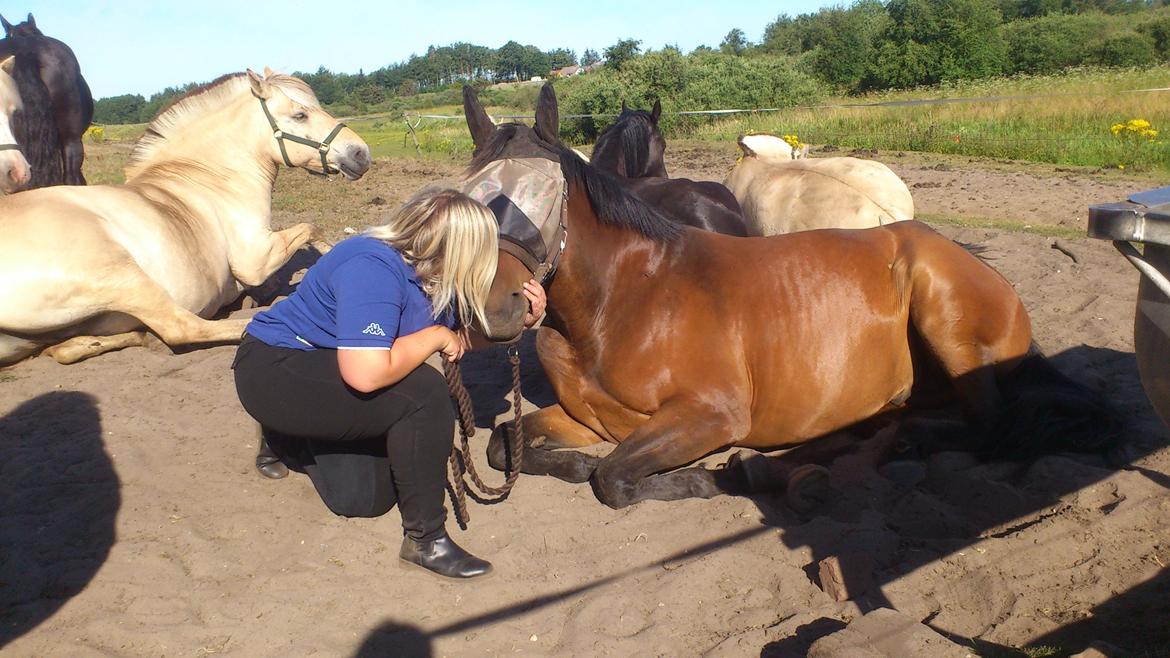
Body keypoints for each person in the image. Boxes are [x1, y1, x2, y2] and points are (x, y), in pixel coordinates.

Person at [232, 188, 546, 579]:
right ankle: (425, 540)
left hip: (334, 367)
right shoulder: (372, 268)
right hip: (277, 367)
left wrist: (521, 324)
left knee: (363, 499)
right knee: (424, 393)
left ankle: (288, 439)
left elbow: (458, 342)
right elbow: (366, 375)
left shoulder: (432, 273)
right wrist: (433, 336)